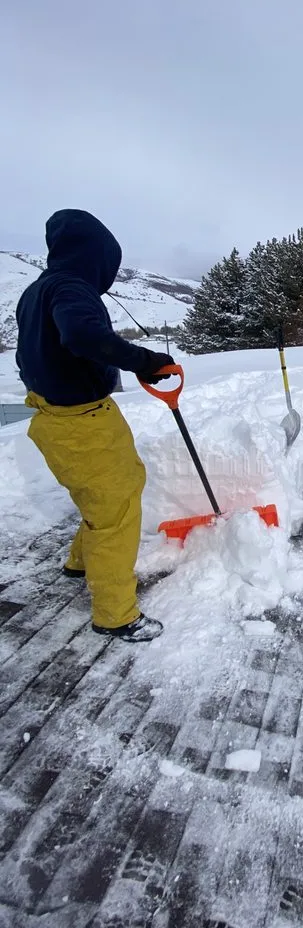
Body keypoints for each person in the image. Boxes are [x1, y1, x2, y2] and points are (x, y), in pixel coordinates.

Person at [15, 209, 174, 642]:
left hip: (55, 418)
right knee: (116, 512)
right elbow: (83, 336)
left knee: (103, 496)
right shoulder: (71, 287)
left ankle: (79, 562)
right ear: (96, 256)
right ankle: (116, 614)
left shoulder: (36, 291)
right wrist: (146, 360)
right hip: (81, 422)